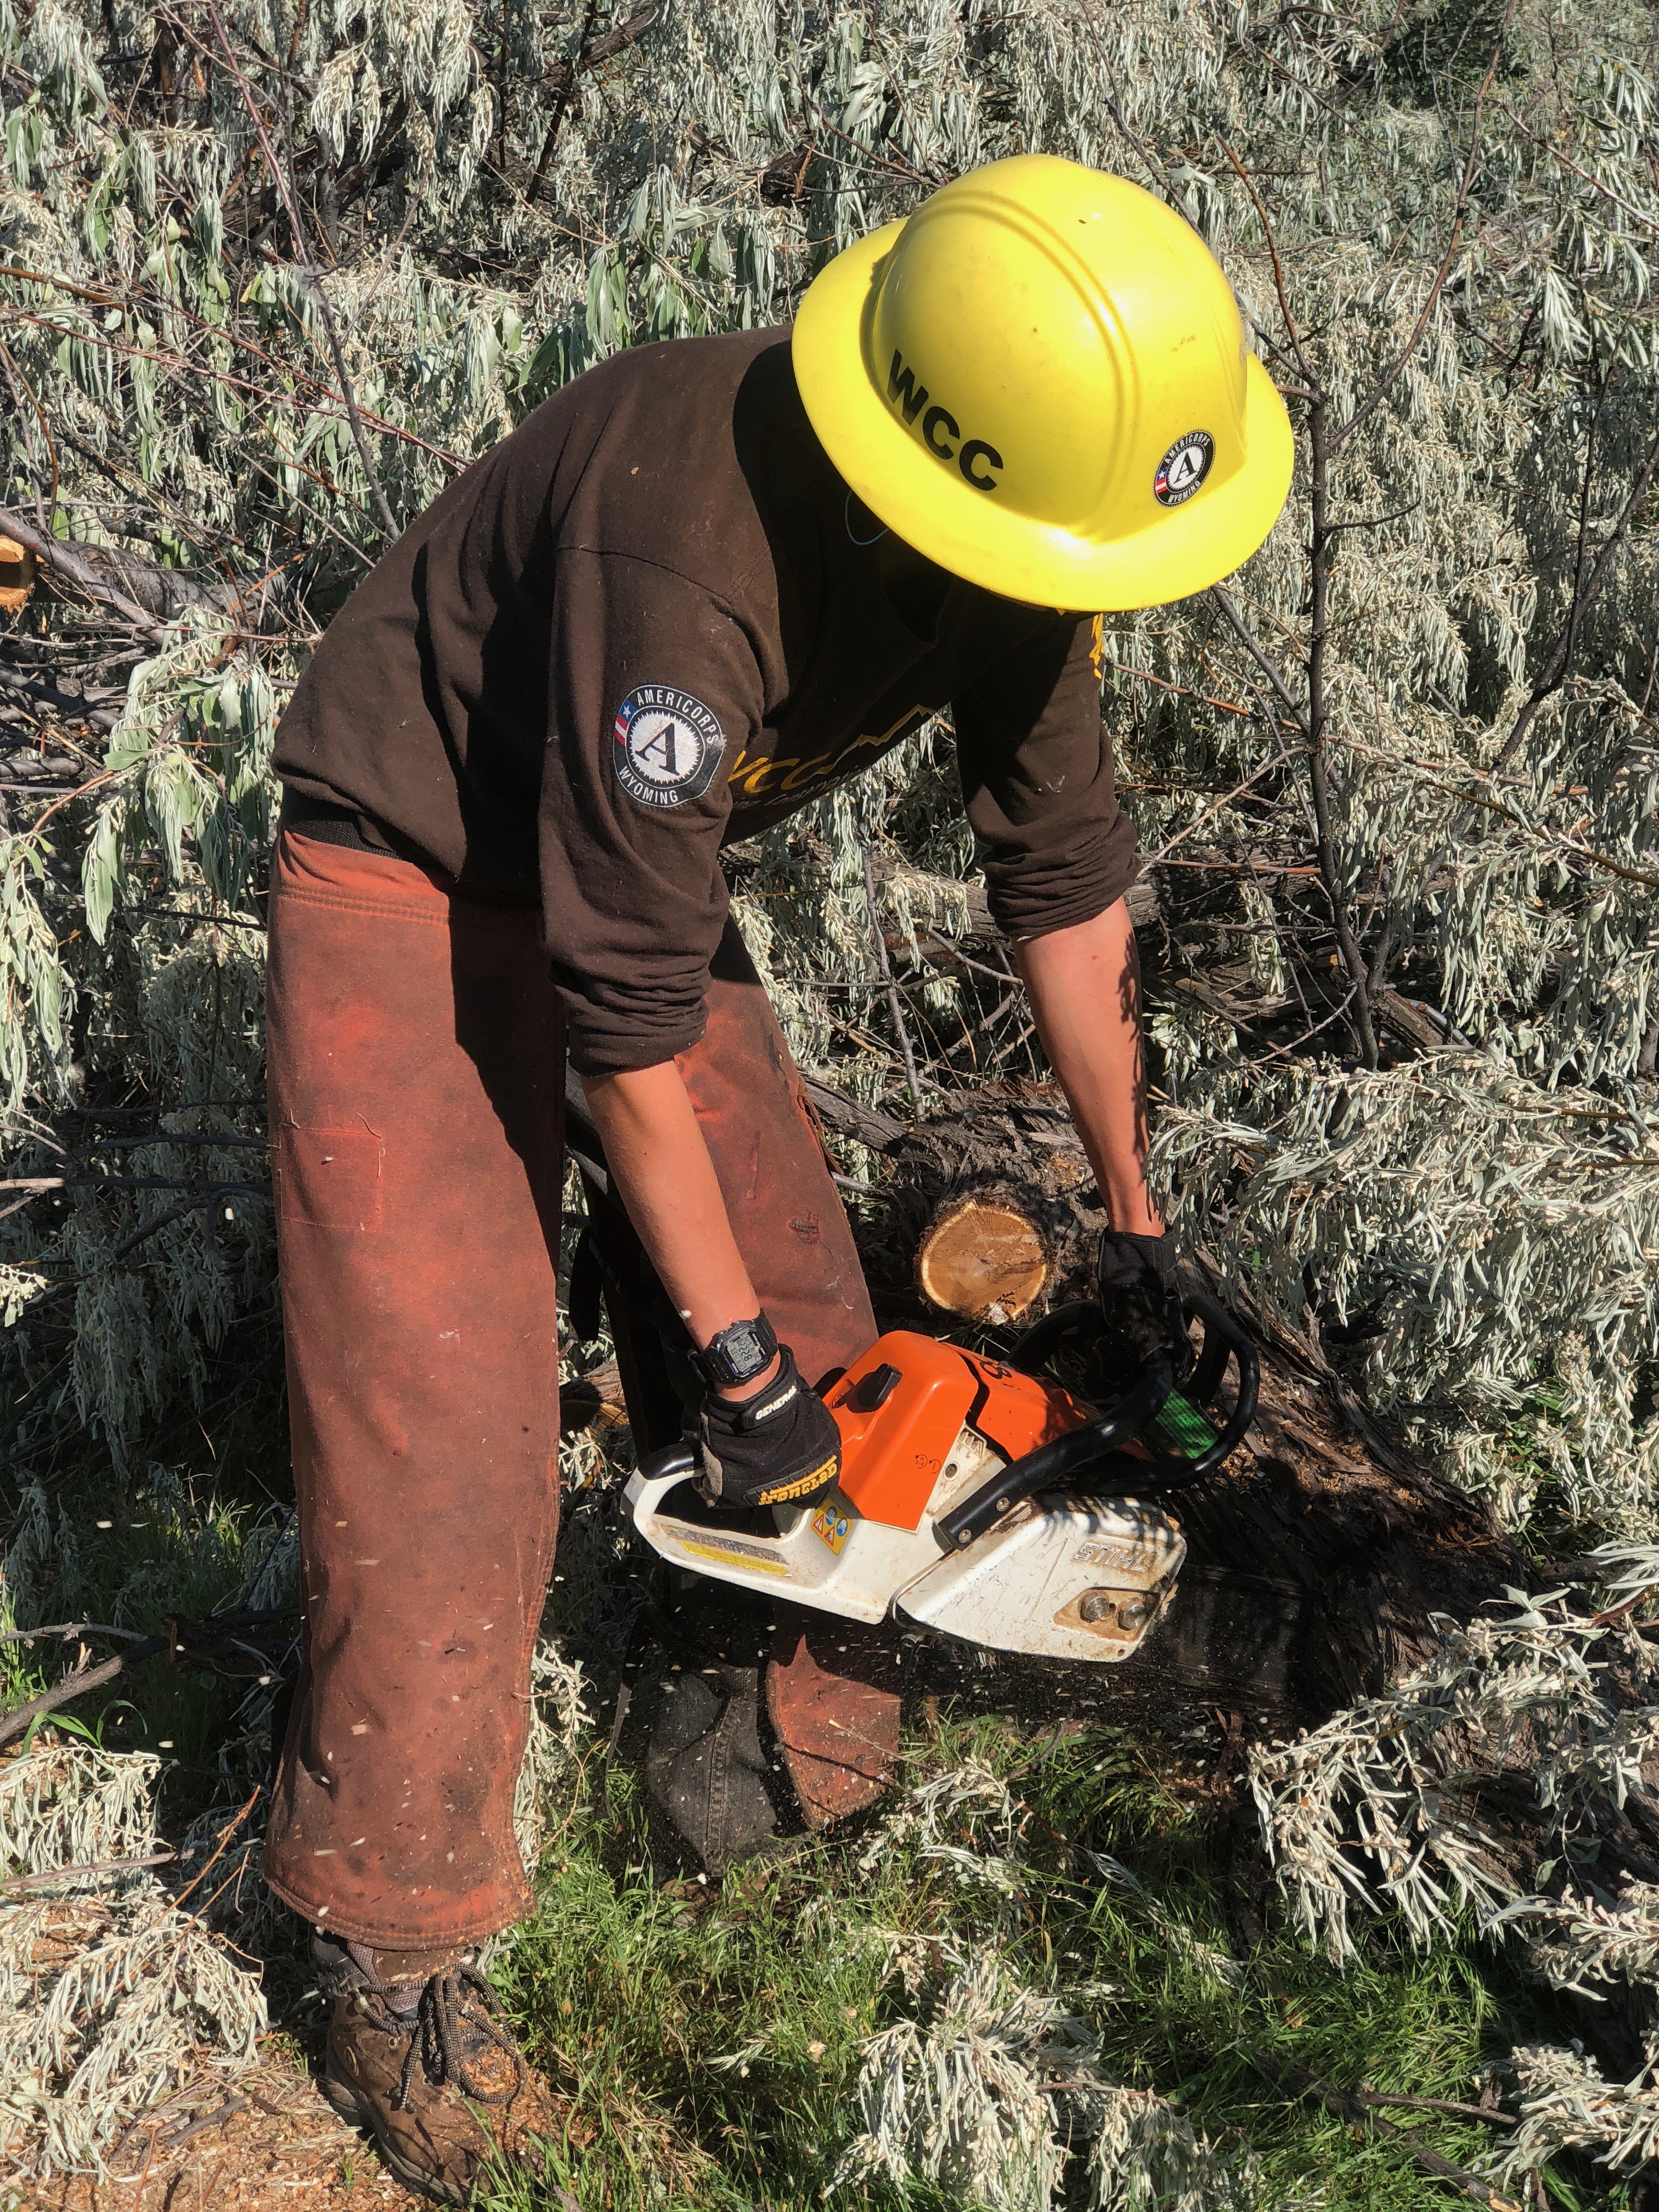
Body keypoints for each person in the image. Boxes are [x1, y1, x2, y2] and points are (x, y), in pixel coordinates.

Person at [260, 152, 1292, 2203]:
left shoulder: (1025, 534)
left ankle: (753, 1778)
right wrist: (725, 1373)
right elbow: (627, 1017)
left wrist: (1138, 1225)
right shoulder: (689, 555)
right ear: (937, 472)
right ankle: (390, 1945)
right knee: (448, 1413)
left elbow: (1067, 882)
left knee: (833, 1341)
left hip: (627, 899)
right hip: (413, 868)